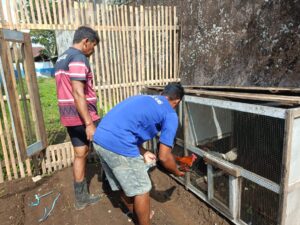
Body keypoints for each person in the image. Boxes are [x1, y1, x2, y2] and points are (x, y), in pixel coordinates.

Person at [93, 83, 185, 225]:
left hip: (99, 138)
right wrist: (176, 171)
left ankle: (138, 214)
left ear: (162, 93)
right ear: (177, 101)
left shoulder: (144, 98)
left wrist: (144, 152)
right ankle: (144, 220)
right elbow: (164, 156)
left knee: (123, 184)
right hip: (118, 144)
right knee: (142, 188)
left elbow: (128, 127)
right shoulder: (170, 114)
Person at [55, 26, 101, 210]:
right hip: (83, 116)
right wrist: (89, 123)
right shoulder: (78, 57)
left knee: (80, 154)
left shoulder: (61, 58)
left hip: (69, 117)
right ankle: (123, 189)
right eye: (93, 46)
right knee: (112, 146)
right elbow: (77, 92)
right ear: (85, 42)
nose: (93, 50)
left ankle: (80, 199)